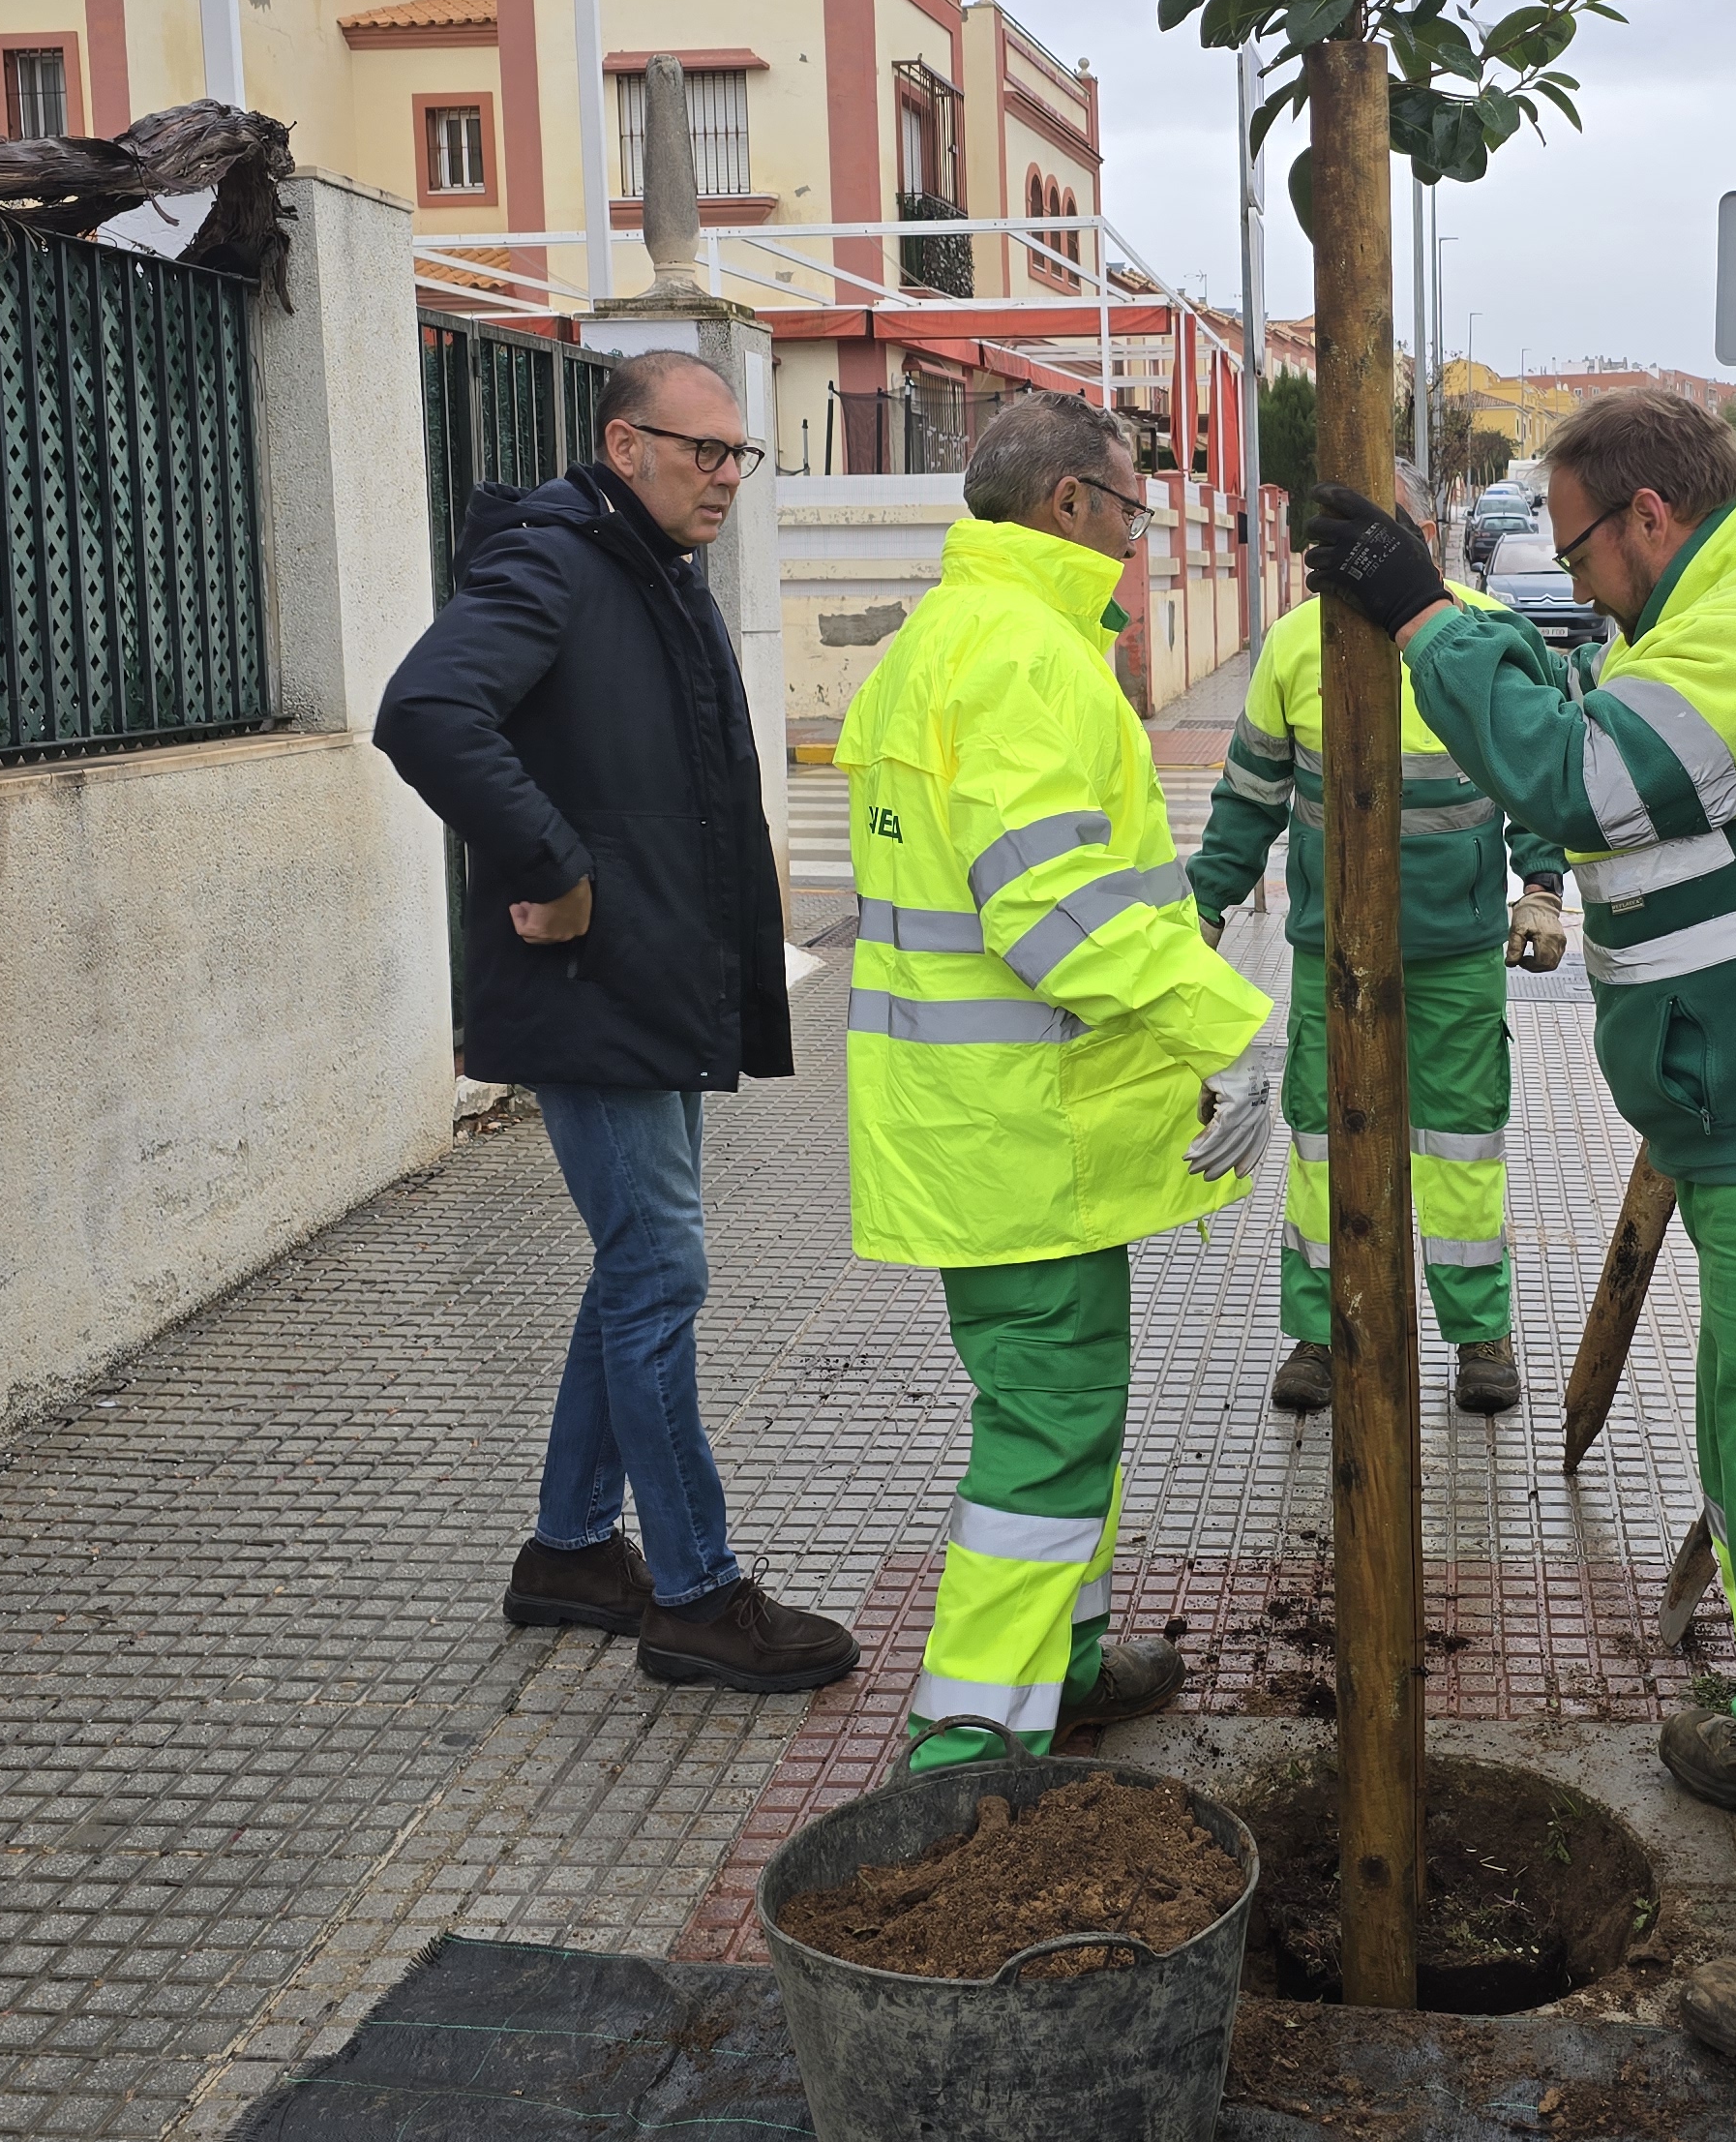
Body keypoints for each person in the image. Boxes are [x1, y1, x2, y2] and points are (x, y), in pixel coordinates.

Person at [1302, 388, 1736, 2068]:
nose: (1576, 585)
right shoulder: (1723, 603)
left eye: (1573, 551)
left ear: (1643, 514)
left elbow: (1577, 777)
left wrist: (1421, 608)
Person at [373, 347, 858, 1698]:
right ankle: (696, 1592)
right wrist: (555, 869)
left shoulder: (650, 573)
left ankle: (575, 1552)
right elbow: (426, 711)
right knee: (658, 1273)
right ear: (622, 444)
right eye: (701, 450)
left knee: (637, 1266)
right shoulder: (555, 563)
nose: (725, 477)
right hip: (593, 987)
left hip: (649, 980)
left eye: (738, 455)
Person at [839, 392, 1273, 1767]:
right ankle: (971, 1743)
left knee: (1066, 1408)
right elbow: (1052, 913)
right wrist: (1225, 1028)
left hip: (998, 1129)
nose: (1142, 540)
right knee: (1042, 1432)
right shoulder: (1025, 656)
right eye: (1135, 509)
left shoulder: (948, 638)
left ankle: (1066, 1661)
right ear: (1068, 506)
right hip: (1022, 1138)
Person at [1183, 583, 1571, 1417]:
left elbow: (1538, 774)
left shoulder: (1487, 633)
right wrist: (1206, 909)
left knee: (1461, 1145)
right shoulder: (1293, 647)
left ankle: (1480, 1337)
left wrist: (1542, 888)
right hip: (1333, 955)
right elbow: (1249, 800)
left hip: (1455, 951)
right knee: (1322, 1141)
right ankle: (1319, 1336)